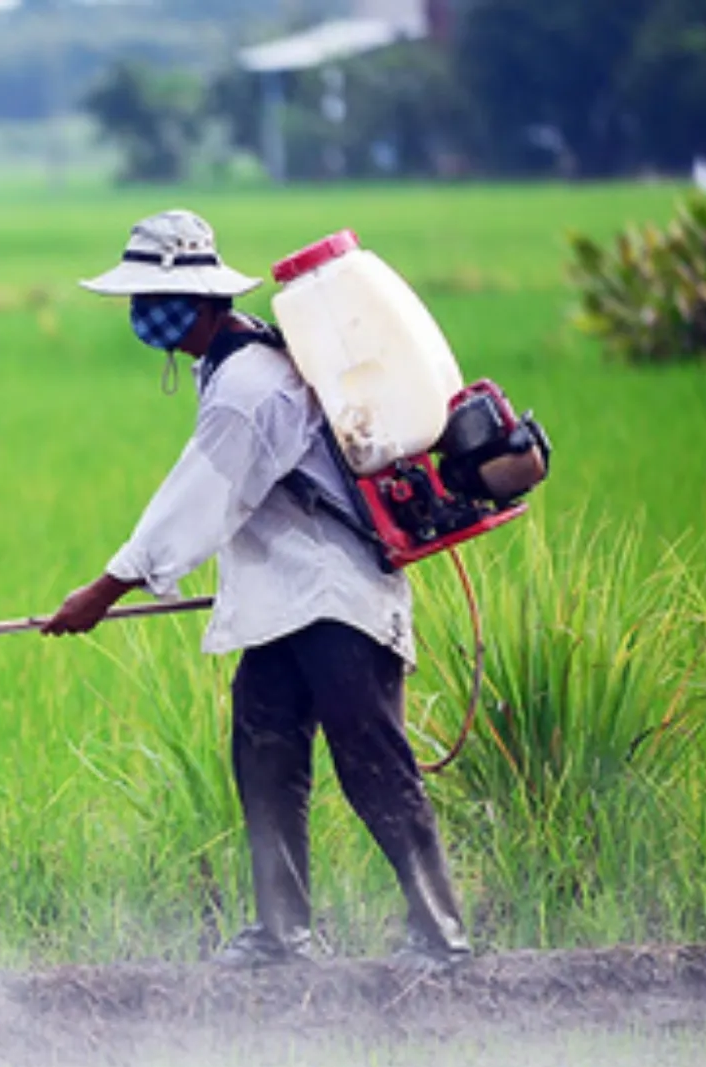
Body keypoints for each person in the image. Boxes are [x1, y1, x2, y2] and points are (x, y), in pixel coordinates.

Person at [40, 209, 472, 972]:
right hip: (285, 605)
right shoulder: (235, 366)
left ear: (202, 299)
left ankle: (442, 935)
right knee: (265, 757)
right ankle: (282, 934)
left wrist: (102, 592)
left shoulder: (250, 386)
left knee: (372, 762)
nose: (143, 315)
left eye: (152, 298)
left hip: (334, 603)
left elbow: (200, 498)